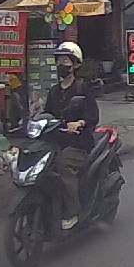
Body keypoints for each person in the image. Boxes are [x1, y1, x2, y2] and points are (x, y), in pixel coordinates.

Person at [44, 41, 99, 230]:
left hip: (79, 144)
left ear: (75, 65)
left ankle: (73, 211)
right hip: (57, 141)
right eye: (59, 61)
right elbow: (48, 115)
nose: (62, 65)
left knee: (62, 164)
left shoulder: (82, 89)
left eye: (66, 61)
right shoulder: (54, 92)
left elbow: (93, 116)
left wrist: (80, 123)